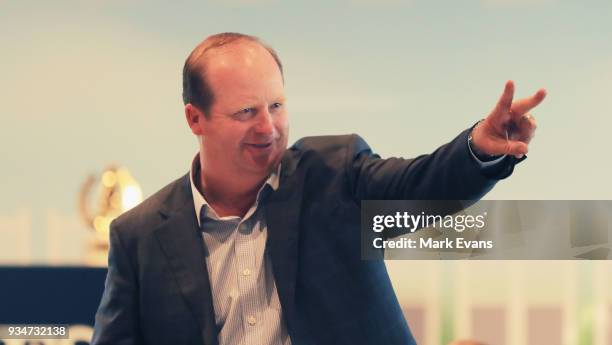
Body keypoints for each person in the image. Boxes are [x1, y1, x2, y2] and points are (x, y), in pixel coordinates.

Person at [91, 32, 546, 345]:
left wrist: (479, 151)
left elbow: (423, 186)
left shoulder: (335, 175)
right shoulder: (140, 237)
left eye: (276, 105)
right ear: (196, 118)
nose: (269, 128)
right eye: (247, 112)